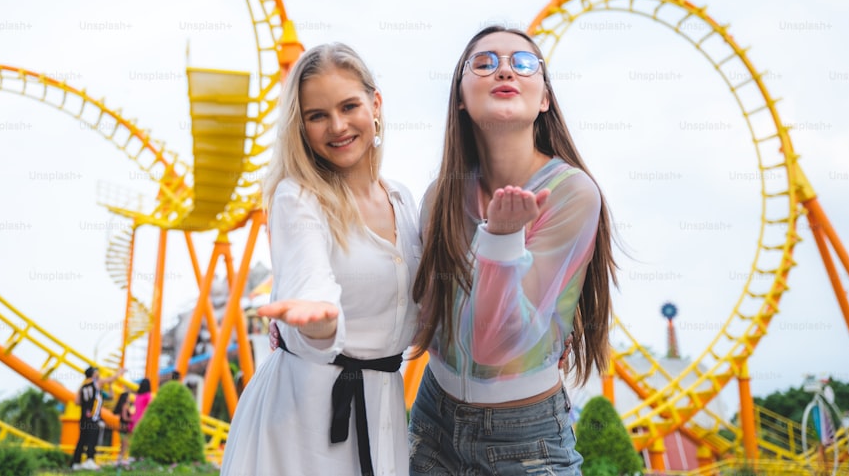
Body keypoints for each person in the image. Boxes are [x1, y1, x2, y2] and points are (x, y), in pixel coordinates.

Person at [408, 26, 618, 475]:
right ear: (460, 97)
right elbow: (418, 318)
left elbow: (493, 347)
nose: (505, 69)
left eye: (524, 63)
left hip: (524, 438)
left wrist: (502, 240)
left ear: (544, 98)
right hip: (432, 421)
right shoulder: (438, 199)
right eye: (483, 63)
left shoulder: (572, 194)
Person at [220, 43, 421, 476]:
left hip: (383, 405)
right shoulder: (298, 197)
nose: (337, 126)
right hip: (304, 414)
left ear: (375, 105)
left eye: (349, 106)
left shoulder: (404, 201)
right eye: (317, 115)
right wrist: (320, 321)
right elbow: (309, 277)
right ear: (301, 126)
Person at [71, 365, 125, 471]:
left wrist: (88, 402)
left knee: (82, 440)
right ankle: (89, 460)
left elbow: (77, 402)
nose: (99, 374)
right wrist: (120, 372)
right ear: (93, 374)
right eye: (97, 372)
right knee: (92, 439)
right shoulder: (96, 382)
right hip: (93, 418)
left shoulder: (82, 387)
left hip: (83, 417)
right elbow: (112, 378)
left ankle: (76, 463)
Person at [112, 391, 134, 464]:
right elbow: (124, 417)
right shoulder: (125, 406)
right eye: (128, 397)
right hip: (124, 427)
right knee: (125, 444)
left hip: (122, 427)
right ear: (126, 398)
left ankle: (120, 459)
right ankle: (120, 460)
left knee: (123, 444)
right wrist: (133, 420)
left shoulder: (124, 405)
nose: (129, 398)